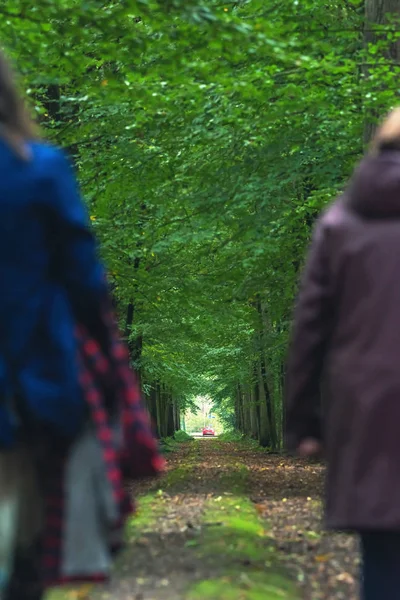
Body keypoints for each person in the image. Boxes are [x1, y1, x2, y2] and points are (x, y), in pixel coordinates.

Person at [0, 52, 163, 600]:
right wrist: (105, 362)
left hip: (27, 382)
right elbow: (84, 278)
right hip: (30, 379)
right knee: (23, 536)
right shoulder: (37, 169)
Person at [285, 107, 400, 600]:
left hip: (371, 408)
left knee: (383, 553)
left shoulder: (342, 221)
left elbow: (311, 328)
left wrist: (303, 423)